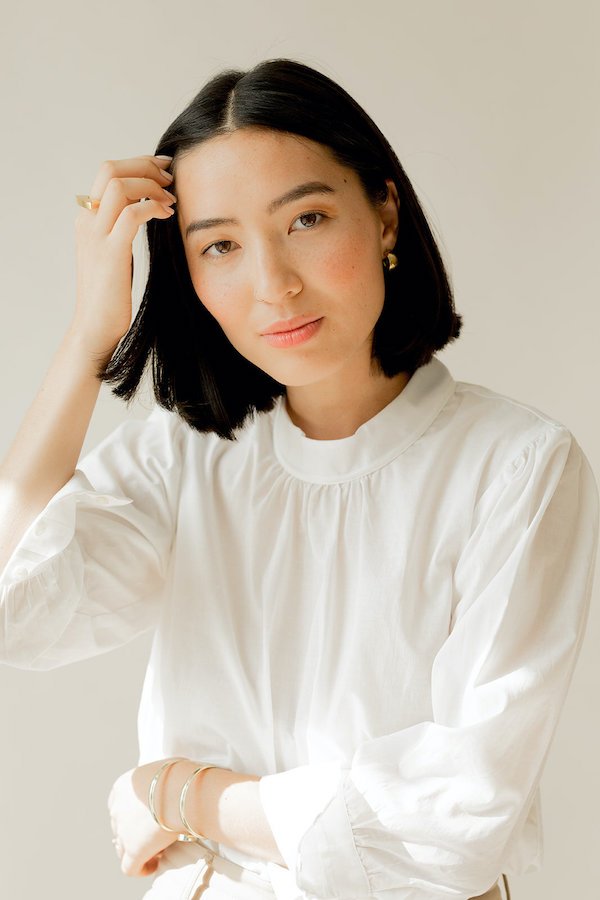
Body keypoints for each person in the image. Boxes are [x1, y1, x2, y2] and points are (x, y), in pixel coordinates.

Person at [0, 57, 597, 900]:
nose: (274, 284)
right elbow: (15, 611)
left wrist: (177, 793)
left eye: (308, 218)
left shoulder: (516, 465)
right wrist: (87, 339)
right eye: (220, 245)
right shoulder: (189, 452)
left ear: (385, 213)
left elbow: (457, 816)